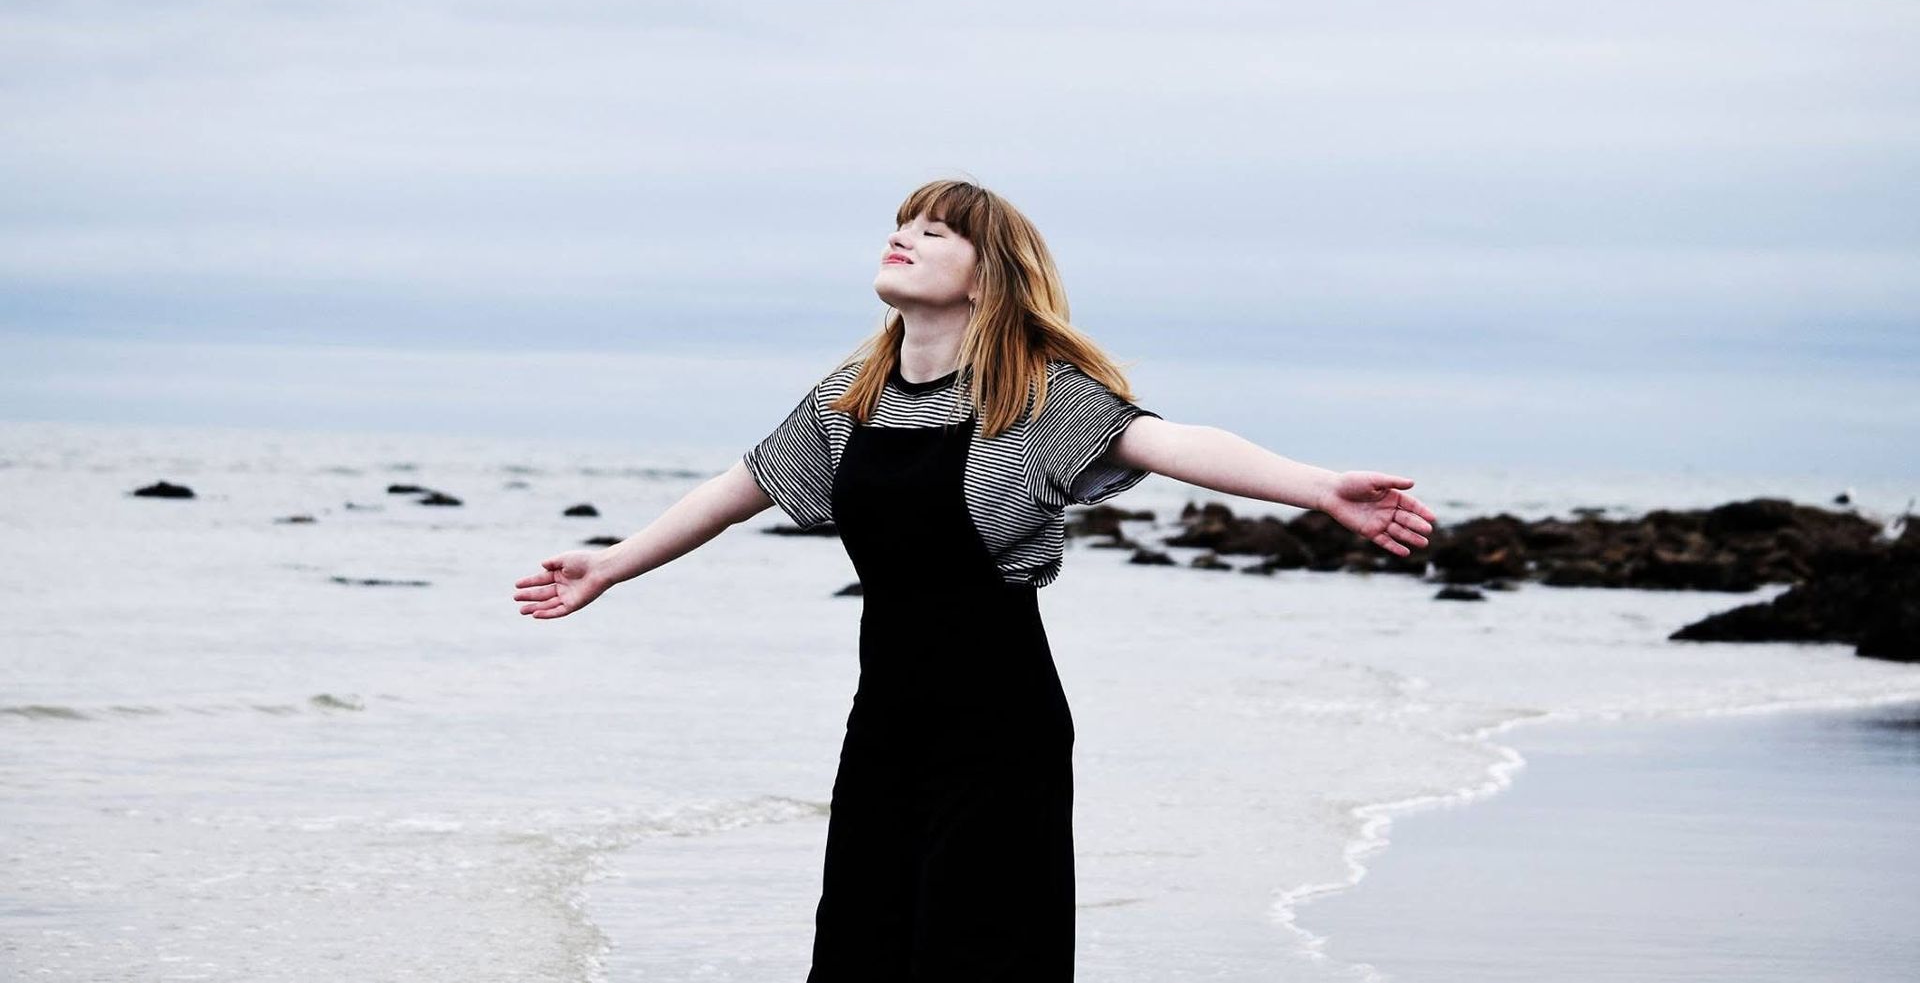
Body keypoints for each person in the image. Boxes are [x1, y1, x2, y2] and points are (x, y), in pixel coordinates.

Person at [511, 177, 1435, 980]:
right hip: (883, 727)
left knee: (982, 957)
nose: (903, 236)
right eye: (901, 223)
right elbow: (736, 490)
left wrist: (1319, 488)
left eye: (934, 229)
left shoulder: (1034, 398)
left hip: (1002, 732)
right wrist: (613, 562)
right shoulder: (849, 400)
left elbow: (1170, 441)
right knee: (859, 952)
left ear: (987, 274)